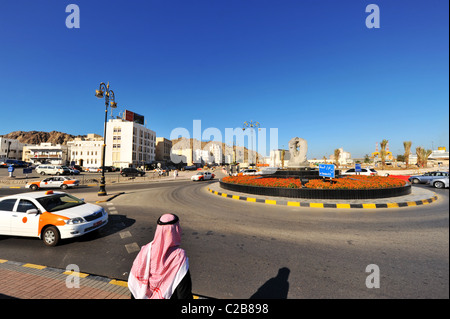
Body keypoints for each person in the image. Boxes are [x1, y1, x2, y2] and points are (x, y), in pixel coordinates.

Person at [128, 213, 193, 299]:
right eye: (178, 227)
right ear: (174, 231)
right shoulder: (179, 257)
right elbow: (184, 294)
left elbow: (135, 286)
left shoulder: (145, 251)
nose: (180, 230)